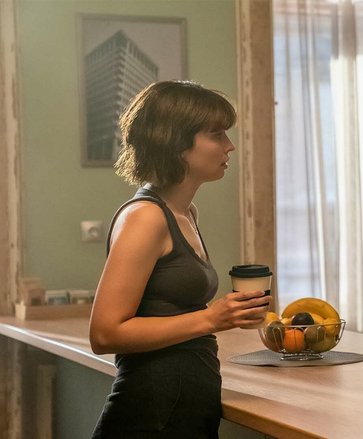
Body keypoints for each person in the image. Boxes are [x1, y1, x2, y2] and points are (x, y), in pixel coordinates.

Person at [89, 80, 270, 438]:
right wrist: (212, 318)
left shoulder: (185, 212)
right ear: (177, 143)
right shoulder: (146, 217)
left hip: (179, 409)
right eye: (217, 135)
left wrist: (223, 317)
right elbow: (105, 333)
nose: (230, 145)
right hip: (152, 414)